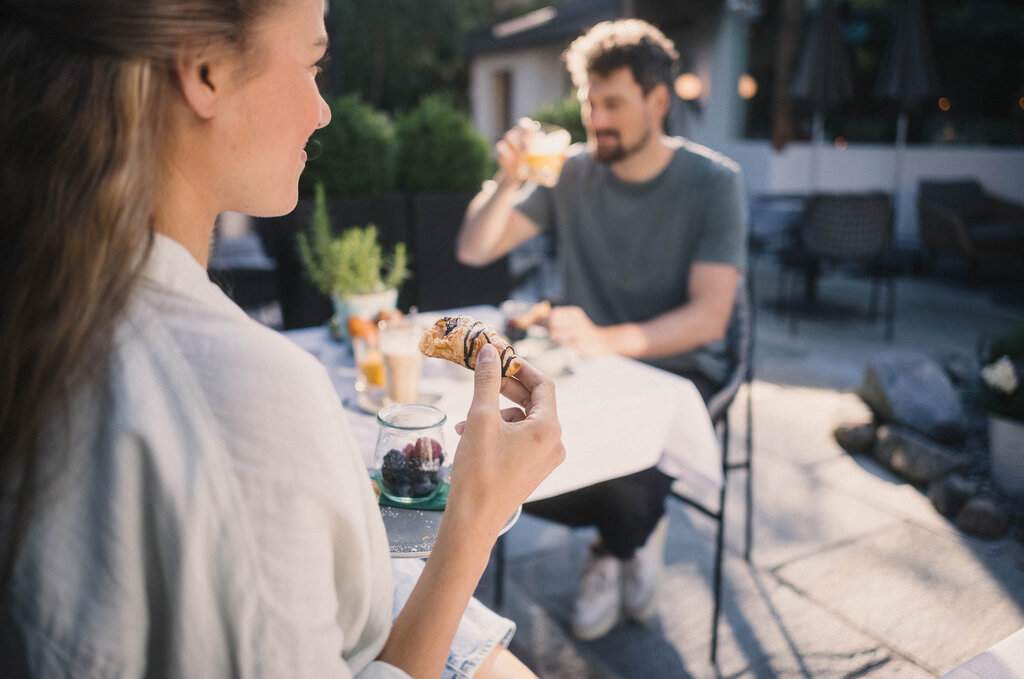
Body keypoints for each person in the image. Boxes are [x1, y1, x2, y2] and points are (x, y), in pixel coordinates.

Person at [0, 1, 564, 677]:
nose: (323, 110)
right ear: (205, 69)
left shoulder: (44, 294)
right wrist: (477, 511)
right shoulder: (240, 396)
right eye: (313, 63)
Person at [457, 19, 747, 641]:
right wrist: (508, 179)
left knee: (627, 480)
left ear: (658, 102)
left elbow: (710, 317)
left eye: (613, 103)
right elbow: (476, 248)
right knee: (493, 452)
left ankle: (618, 544)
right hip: (586, 373)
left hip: (680, 371)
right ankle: (631, 536)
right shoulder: (571, 172)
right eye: (591, 103)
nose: (597, 118)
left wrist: (603, 338)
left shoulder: (715, 183)